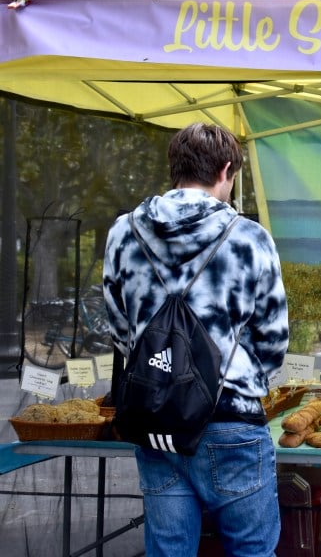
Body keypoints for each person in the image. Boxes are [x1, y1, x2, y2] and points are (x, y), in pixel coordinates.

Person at [102, 123, 289, 556]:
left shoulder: (122, 232)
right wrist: (233, 377)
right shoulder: (249, 237)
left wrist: (164, 370)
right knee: (253, 551)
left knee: (169, 551)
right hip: (231, 421)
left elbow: (118, 328)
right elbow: (273, 338)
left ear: (176, 168)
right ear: (226, 170)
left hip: (155, 420)